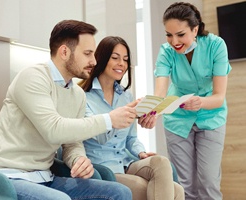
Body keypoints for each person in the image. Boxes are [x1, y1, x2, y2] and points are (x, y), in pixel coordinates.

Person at [0, 20, 137, 200]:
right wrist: (108, 120)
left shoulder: (77, 94)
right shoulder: (32, 78)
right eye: (87, 54)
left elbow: (72, 142)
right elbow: (54, 130)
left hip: (45, 177)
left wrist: (78, 159)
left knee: (119, 192)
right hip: (7, 177)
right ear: (64, 52)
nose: (94, 61)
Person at [139, 2, 232, 200]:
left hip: (211, 117)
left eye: (180, 34)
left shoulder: (216, 46)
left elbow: (218, 97)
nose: (174, 41)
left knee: (208, 183)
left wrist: (200, 102)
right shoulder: (166, 52)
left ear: (195, 29)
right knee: (184, 186)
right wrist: (152, 111)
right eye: (169, 35)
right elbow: (160, 91)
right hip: (178, 120)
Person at [78, 36, 184, 200]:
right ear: (102, 59)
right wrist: (121, 114)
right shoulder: (83, 97)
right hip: (103, 167)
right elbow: (100, 136)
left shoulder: (126, 96)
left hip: (127, 162)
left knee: (161, 163)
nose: (122, 63)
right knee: (174, 191)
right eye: (115, 58)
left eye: (125, 60)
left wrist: (140, 152)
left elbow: (131, 138)